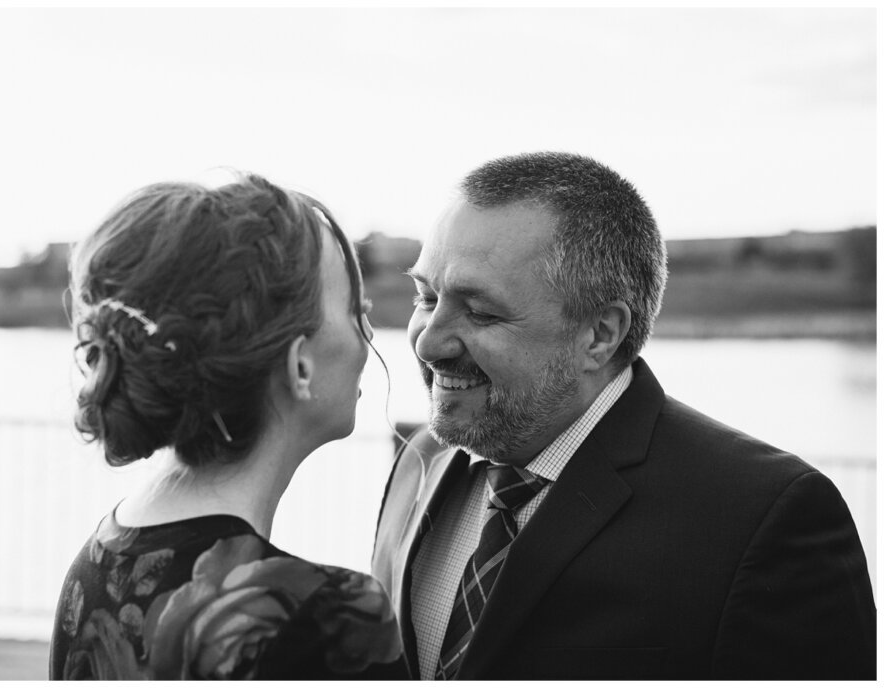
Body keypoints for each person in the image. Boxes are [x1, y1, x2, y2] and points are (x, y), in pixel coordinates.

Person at [371, 152, 876, 680]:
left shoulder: (766, 518)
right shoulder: (417, 463)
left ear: (600, 333)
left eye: (480, 312)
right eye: (426, 297)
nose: (428, 342)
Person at [50, 174, 407, 680]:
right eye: (354, 311)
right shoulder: (324, 616)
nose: (368, 334)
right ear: (299, 365)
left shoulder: (97, 562)